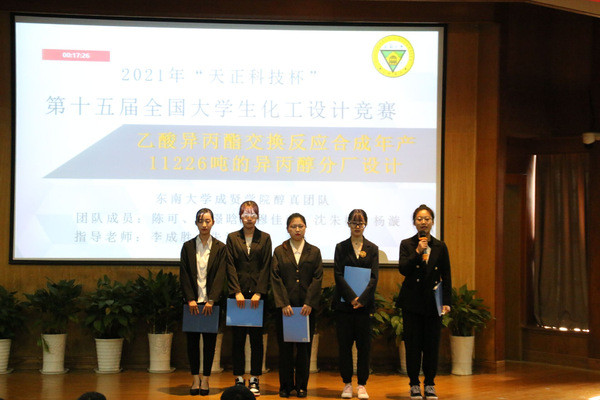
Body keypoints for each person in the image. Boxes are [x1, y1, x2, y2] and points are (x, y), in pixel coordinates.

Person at [398, 204, 452, 400]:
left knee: (431, 346)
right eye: (419, 219)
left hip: (433, 304)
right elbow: (403, 269)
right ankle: (414, 384)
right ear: (414, 223)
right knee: (413, 346)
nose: (423, 222)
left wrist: (447, 301)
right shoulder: (407, 244)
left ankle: (430, 384)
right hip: (412, 303)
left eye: (427, 219)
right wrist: (417, 252)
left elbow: (446, 275)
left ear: (432, 222)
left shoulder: (440, 246)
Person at [271, 213, 323, 398]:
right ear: (287, 229)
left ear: (305, 228)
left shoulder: (314, 251)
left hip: (305, 310)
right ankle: (285, 386)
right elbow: (275, 277)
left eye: (300, 226)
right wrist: (283, 303)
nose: (297, 229)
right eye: (293, 226)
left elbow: (317, 278)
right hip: (286, 309)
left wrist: (309, 302)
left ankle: (302, 386)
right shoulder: (279, 251)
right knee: (285, 349)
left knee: (304, 350)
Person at [226, 200, 272, 397]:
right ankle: (238, 378)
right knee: (237, 340)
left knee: (256, 340)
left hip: (257, 298)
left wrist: (259, 292)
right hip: (237, 297)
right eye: (246, 214)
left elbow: (266, 266)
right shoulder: (232, 237)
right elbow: (230, 265)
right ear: (240, 216)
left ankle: (254, 378)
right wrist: (236, 291)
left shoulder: (265, 238)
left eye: (253, 214)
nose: (249, 218)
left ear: (257, 217)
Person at [180, 208, 228, 396]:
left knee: (209, 343)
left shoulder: (220, 247)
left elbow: (220, 275)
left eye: (207, 221)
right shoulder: (188, 246)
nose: (204, 224)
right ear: (196, 223)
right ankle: (195, 378)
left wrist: (212, 299)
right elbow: (184, 274)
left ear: (213, 222)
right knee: (192, 343)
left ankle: (206, 378)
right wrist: (190, 299)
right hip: (192, 303)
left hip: (211, 304)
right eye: (201, 221)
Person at [333, 209, 379, 400]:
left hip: (364, 308)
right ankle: (346, 383)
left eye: (360, 223)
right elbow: (338, 275)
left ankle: (361, 384)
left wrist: (361, 300)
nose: (357, 226)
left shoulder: (372, 248)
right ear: (348, 224)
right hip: (344, 306)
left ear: (365, 224)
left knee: (364, 347)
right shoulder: (341, 247)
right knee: (344, 346)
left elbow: (374, 278)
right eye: (354, 222)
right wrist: (352, 297)